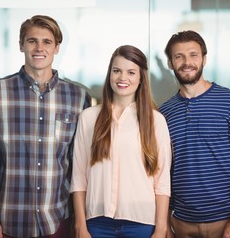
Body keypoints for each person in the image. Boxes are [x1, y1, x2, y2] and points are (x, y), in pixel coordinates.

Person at [0, 15, 91, 238]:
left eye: (47, 42)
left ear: (57, 47)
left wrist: (80, 220)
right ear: (21, 45)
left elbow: (80, 164)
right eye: (32, 41)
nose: (39, 48)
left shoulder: (78, 97)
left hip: (58, 221)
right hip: (5, 221)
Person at [159, 30, 230, 238]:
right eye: (179, 56)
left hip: (226, 222)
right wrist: (165, 221)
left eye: (193, 55)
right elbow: (164, 172)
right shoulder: (164, 113)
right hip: (181, 224)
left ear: (204, 59)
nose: (187, 62)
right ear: (170, 63)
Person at [70, 45, 172, 238]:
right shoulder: (89, 118)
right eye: (116, 71)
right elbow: (79, 177)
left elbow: (162, 182)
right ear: (109, 74)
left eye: (131, 72)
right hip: (96, 224)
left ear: (141, 77)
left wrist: (160, 229)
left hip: (142, 224)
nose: (122, 78)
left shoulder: (155, 120)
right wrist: (80, 225)